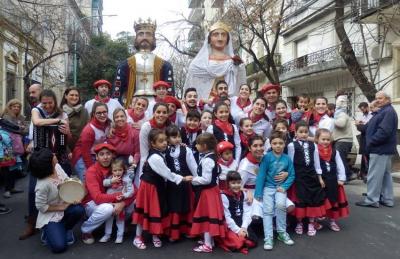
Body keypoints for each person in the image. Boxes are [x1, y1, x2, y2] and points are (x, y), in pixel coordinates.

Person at [132, 129, 192, 249]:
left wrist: (180, 144)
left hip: (157, 186)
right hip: (149, 187)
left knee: (157, 210)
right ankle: (138, 237)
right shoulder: (155, 157)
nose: (164, 143)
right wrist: (184, 178)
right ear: (153, 144)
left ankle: (155, 235)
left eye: (165, 140)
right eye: (161, 141)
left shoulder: (161, 151)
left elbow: (171, 150)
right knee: (144, 211)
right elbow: (167, 174)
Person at [31, 148, 85, 253]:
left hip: (64, 202)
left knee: (79, 210)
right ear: (49, 163)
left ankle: (64, 229)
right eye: (52, 155)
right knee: (59, 247)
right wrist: (62, 207)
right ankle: (47, 231)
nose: (55, 154)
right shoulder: (42, 185)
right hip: (50, 214)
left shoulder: (57, 166)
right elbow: (41, 207)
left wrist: (75, 190)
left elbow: (66, 180)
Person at [112, 18, 174, 107]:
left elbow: (169, 91)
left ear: (154, 38)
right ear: (136, 38)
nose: (144, 37)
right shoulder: (125, 65)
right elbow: (117, 91)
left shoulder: (164, 65)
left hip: (157, 105)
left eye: (148, 34)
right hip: (132, 103)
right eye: (141, 34)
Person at [80, 143, 133, 244]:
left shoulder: (117, 168)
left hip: (111, 200)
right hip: (93, 203)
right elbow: (97, 198)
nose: (105, 157)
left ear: (112, 156)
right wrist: (118, 198)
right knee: (108, 209)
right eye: (101, 154)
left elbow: (135, 189)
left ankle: (121, 222)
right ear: (96, 157)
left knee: (134, 202)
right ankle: (86, 230)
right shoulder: (92, 171)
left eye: (108, 154)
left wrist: (122, 203)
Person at [356, 91, 398, 208]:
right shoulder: (383, 111)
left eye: (380, 98)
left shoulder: (388, 112)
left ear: (388, 99)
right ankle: (387, 199)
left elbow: (384, 132)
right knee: (385, 175)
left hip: (379, 148)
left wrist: (371, 142)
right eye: (376, 98)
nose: (377, 100)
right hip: (383, 149)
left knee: (374, 175)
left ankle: (372, 199)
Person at [184, 21, 246, 101]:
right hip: (205, 108)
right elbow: (192, 89)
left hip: (228, 107)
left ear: (228, 39)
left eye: (223, 35)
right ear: (209, 39)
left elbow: (240, 89)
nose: (220, 38)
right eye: (216, 35)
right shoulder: (197, 65)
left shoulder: (237, 64)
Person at [255, 131, 295, 250]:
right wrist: (258, 192)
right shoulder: (267, 157)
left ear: (284, 144)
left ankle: (282, 233)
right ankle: (268, 237)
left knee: (281, 205)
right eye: (275, 143)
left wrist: (284, 186)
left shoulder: (287, 159)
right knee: (267, 211)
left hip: (280, 188)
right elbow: (261, 175)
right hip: (268, 188)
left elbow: (292, 175)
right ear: (271, 144)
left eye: (280, 143)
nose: (277, 145)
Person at [287, 121, 327, 236]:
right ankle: (299, 222)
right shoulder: (291, 146)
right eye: (301, 132)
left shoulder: (313, 145)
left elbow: (317, 162)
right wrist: (290, 177)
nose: (304, 134)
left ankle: (311, 222)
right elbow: (290, 163)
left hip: (311, 176)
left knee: (312, 199)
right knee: (300, 200)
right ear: (296, 133)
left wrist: (319, 177)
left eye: (306, 132)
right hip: (299, 177)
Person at [191, 133, 225, 253]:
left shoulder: (207, 160)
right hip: (212, 191)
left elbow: (206, 179)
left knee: (206, 217)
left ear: (204, 146)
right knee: (210, 216)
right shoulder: (211, 157)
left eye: (198, 144)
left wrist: (192, 179)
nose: (196, 146)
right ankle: (210, 240)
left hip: (208, 192)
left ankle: (207, 245)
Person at [165, 125, 198, 241]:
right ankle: (174, 234)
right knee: (174, 207)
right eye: (174, 137)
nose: (177, 139)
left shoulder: (186, 149)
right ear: (167, 138)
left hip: (185, 183)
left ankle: (188, 231)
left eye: (179, 136)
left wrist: (196, 180)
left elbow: (193, 166)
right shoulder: (165, 150)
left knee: (187, 206)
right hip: (172, 185)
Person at [315, 129, 349, 231]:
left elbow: (340, 165)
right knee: (319, 201)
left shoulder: (335, 152)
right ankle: (316, 220)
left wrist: (341, 178)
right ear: (317, 139)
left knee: (334, 201)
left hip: (333, 181)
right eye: (323, 139)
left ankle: (332, 221)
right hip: (321, 181)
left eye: (328, 139)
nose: (325, 141)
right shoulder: (315, 150)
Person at [72, 102, 111, 182]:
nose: (102, 115)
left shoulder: (109, 125)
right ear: (93, 114)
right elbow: (85, 153)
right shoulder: (89, 130)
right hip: (82, 157)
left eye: (104, 112)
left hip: (96, 155)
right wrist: (91, 170)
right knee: (89, 180)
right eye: (99, 113)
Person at [219, 171, 257, 254]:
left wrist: (244, 227)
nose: (236, 185)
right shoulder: (224, 196)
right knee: (238, 244)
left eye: (238, 183)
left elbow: (247, 212)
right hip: (230, 224)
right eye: (233, 183)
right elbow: (227, 217)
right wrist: (238, 230)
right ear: (228, 184)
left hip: (240, 221)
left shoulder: (243, 193)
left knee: (252, 241)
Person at [99, 159, 135, 244]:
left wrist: (125, 195)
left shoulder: (126, 179)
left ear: (123, 170)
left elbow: (131, 191)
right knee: (109, 218)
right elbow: (104, 183)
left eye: (120, 170)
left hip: (119, 201)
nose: (117, 172)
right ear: (112, 171)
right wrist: (111, 181)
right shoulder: (111, 177)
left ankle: (120, 235)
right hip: (110, 201)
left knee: (120, 219)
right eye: (115, 170)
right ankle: (107, 235)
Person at [137, 103, 170, 187]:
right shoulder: (146, 127)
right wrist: (142, 177)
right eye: (158, 112)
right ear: (154, 113)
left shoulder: (170, 126)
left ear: (168, 114)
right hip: (150, 161)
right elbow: (144, 154)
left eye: (164, 112)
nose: (161, 115)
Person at [332, 93, 356, 181]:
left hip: (343, 141)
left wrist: (331, 120)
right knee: (341, 159)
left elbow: (341, 124)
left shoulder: (341, 114)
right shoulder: (339, 114)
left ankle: (348, 175)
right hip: (343, 141)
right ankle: (347, 175)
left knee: (341, 160)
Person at [60, 87, 89, 151]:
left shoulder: (84, 111)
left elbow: (88, 131)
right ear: (65, 96)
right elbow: (58, 134)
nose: (74, 97)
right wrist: (68, 152)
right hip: (63, 148)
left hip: (80, 148)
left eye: (76, 95)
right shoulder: (59, 112)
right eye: (71, 95)